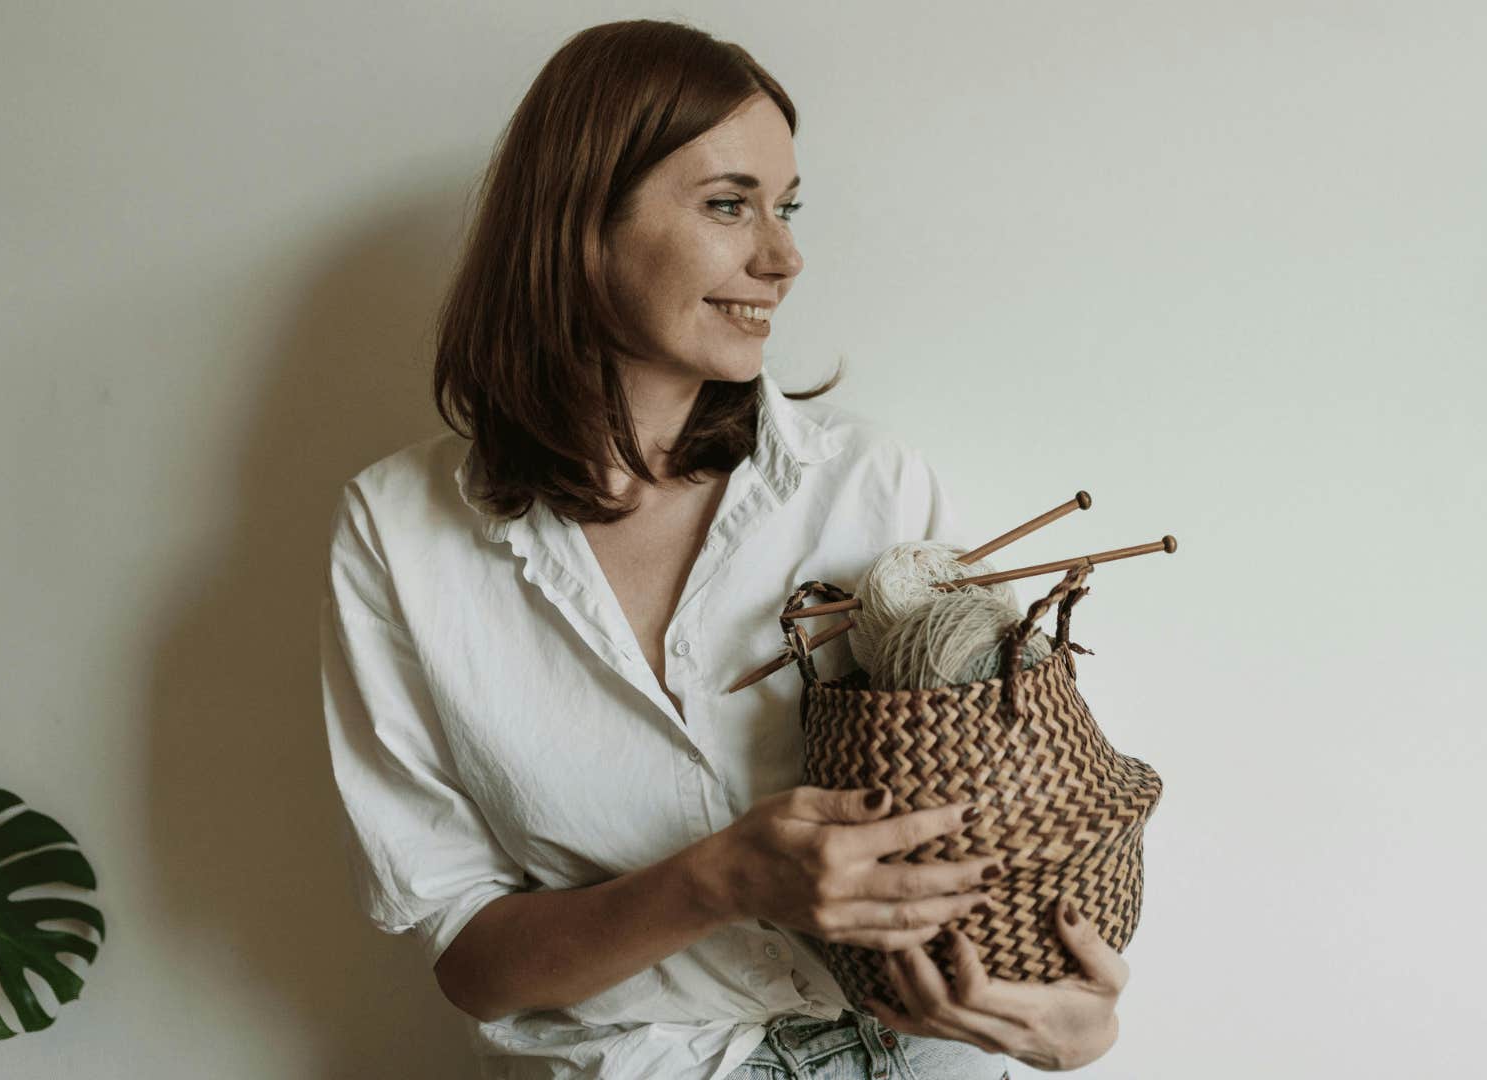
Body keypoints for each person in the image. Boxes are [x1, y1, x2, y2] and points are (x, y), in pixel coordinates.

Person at [318, 19, 1126, 1079]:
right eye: (728, 204)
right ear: (577, 222)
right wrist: (718, 881)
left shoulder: (872, 489)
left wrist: (1076, 1013)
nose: (784, 257)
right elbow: (471, 958)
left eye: (785, 208)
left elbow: (1012, 818)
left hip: (929, 1055)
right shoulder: (399, 534)